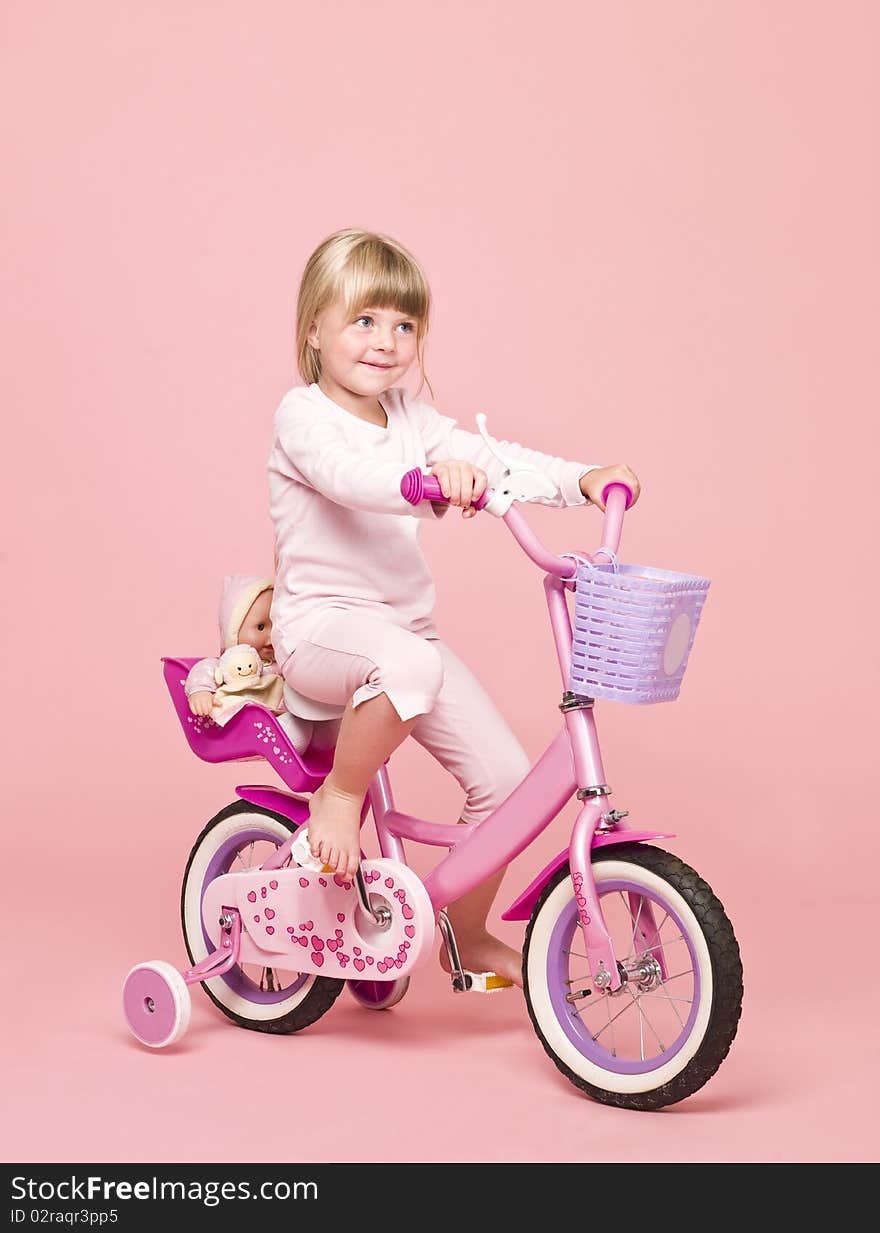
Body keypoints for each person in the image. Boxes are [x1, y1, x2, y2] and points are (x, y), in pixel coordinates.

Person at [268, 229, 640, 986]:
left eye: (404, 326)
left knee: (503, 777)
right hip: (321, 631)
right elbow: (346, 476)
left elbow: (497, 458)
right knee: (409, 664)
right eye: (364, 321)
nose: (387, 341)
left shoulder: (410, 418)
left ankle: (463, 933)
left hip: (404, 640)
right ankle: (341, 797)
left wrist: (582, 480)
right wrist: (421, 482)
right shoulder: (302, 416)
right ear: (314, 328)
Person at [185, 574, 333, 755]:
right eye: (261, 627)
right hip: (248, 725)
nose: (271, 636)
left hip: (286, 713)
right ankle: (288, 738)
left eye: (278, 625)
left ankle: (330, 741)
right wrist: (200, 692)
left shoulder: (284, 663)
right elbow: (203, 669)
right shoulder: (226, 664)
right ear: (234, 630)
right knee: (299, 725)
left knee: (324, 715)